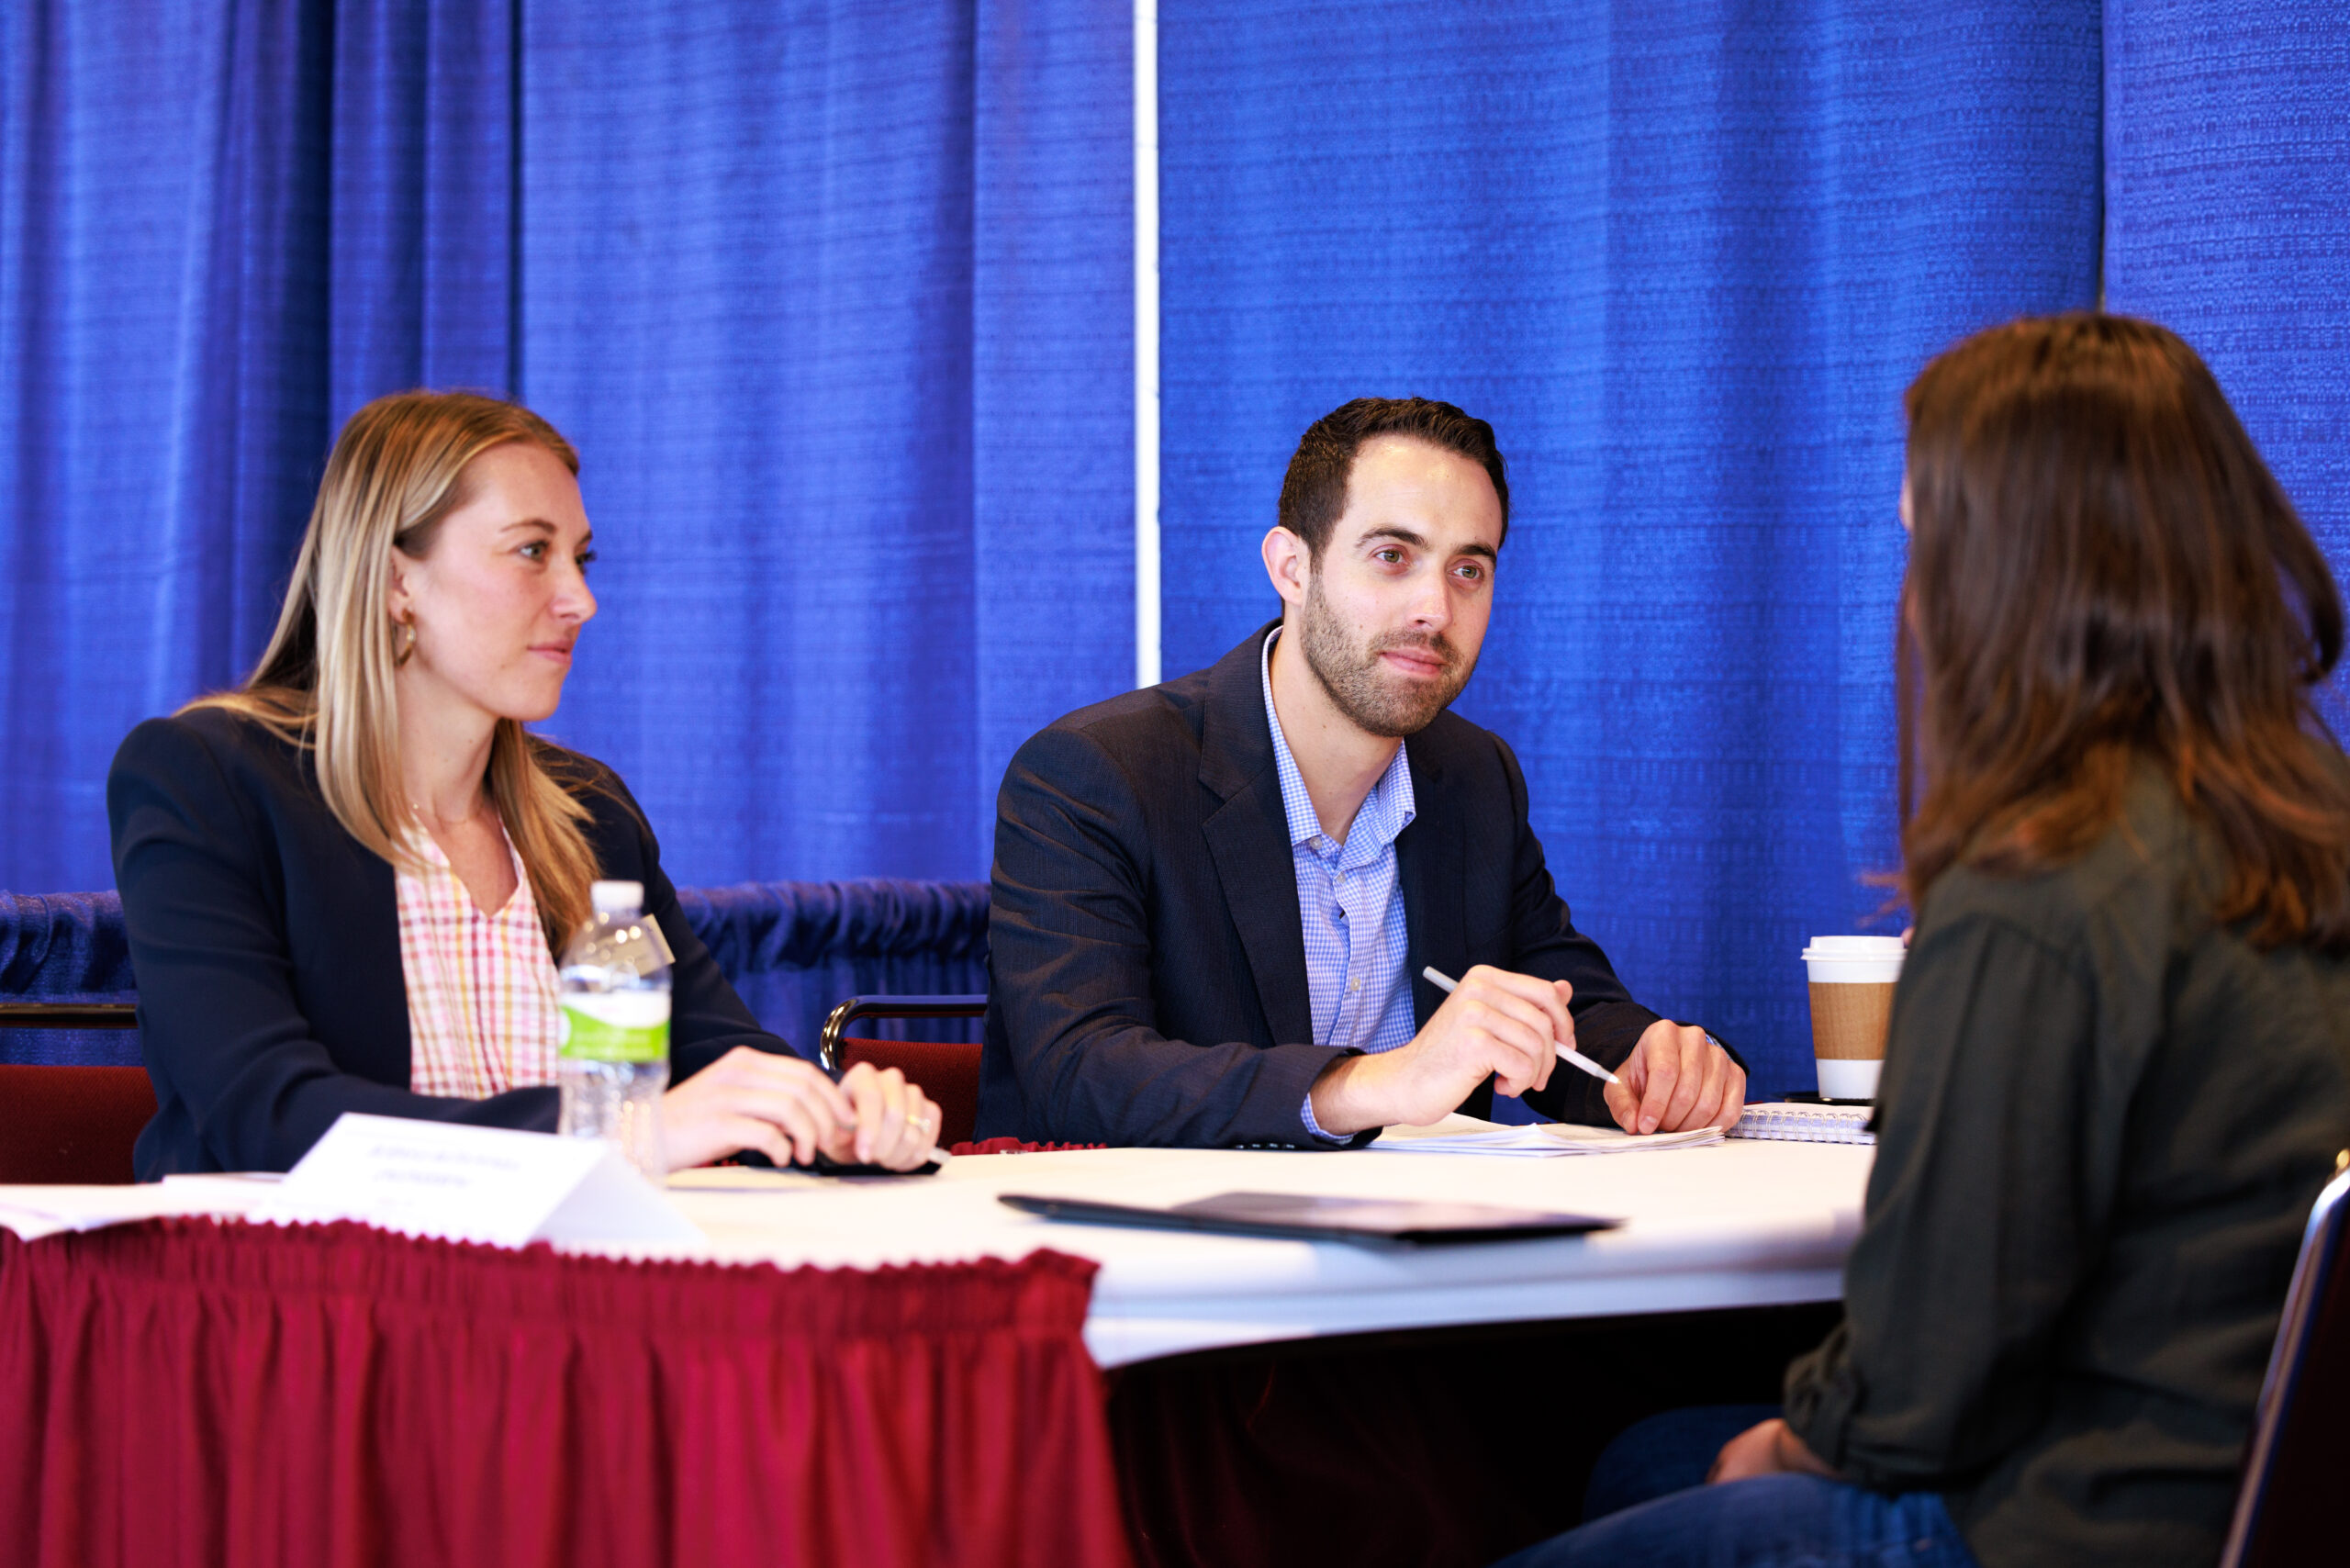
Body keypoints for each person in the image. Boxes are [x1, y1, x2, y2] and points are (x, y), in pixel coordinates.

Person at [1493, 315, 2350, 1568]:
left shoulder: (2042, 885)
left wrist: (1790, 1447)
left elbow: (1928, 1375)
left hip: (2071, 1521)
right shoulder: (2308, 835)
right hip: (2258, 1496)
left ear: (2009, 573)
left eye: (1922, 542)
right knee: (1647, 1461)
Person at [109, 391, 940, 1178]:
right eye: (533, 552)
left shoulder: (591, 813)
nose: (581, 599)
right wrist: (628, 1134)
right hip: (300, 1299)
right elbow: (269, 1116)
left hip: (559, 1292)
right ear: (399, 582)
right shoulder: (207, 779)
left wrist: (839, 1117)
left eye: (580, 559)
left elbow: (716, 1055)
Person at [979, 396, 1745, 1147]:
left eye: (1468, 570)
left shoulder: (1475, 778)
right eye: (1392, 557)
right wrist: (1381, 1082)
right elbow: (1078, 1075)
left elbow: (1568, 1013)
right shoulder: (1095, 774)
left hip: (1421, 1255)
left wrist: (1652, 1064)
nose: (1435, 609)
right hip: (1164, 1254)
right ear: (1292, 567)